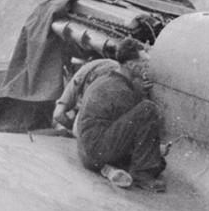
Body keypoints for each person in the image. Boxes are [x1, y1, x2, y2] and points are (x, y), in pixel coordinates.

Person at [56, 55, 167, 189]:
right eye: (143, 63)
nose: (146, 67)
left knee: (159, 163)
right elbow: (131, 134)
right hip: (96, 150)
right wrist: (155, 149)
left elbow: (61, 116)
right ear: (131, 65)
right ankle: (142, 176)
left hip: (84, 150)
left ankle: (109, 168)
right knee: (148, 109)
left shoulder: (103, 77)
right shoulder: (121, 89)